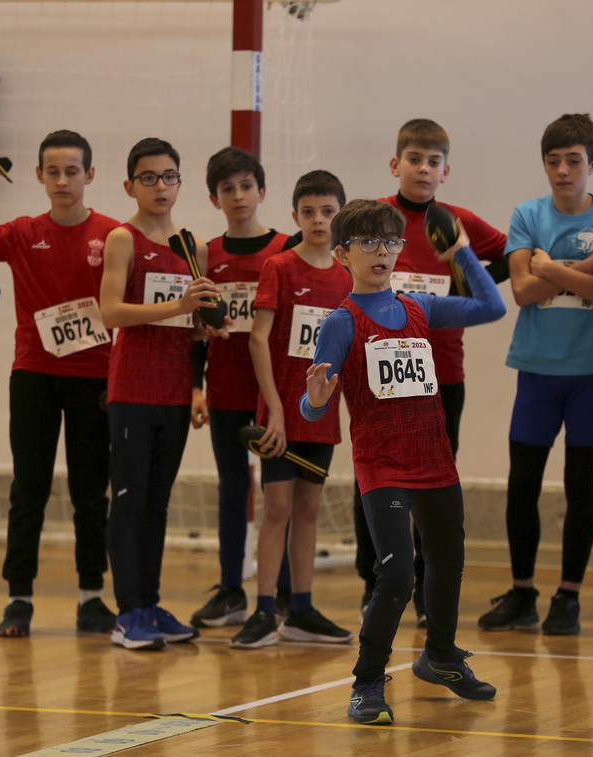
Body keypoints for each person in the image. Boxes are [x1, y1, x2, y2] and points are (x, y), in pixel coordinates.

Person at [302, 199, 505, 724]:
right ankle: (367, 683)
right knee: (396, 576)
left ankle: (439, 657)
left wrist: (461, 252)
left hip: (435, 461)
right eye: (369, 242)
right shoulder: (340, 324)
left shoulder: (421, 307)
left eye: (391, 241)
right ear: (343, 253)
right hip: (382, 467)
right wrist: (316, 401)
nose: (382, 252)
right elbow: (312, 401)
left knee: (449, 565)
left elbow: (492, 307)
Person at [0, 130, 120, 638]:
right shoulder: (21, 232)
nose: (62, 181)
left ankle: (91, 597)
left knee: (90, 492)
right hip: (35, 375)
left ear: (90, 175)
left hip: (95, 380)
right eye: (53, 171)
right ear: (38, 175)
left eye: (72, 171)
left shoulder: (114, 235)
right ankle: (18, 599)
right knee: (29, 489)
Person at [479, 113, 593, 636]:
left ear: (592, 163)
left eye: (573, 161)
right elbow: (520, 292)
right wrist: (586, 269)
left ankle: (568, 596)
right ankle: (523, 592)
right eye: (553, 162)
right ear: (544, 165)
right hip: (537, 369)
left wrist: (551, 267)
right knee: (522, 484)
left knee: (580, 486)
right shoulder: (527, 214)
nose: (563, 170)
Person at [351, 118, 508, 626]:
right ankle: (375, 582)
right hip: (379, 376)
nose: (423, 168)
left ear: (446, 170)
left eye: (433, 161)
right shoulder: (373, 219)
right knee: (374, 482)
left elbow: (506, 259)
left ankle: (421, 589)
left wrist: (462, 268)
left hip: (442, 375)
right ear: (395, 165)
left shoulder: (457, 222)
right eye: (414, 159)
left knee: (430, 488)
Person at [101, 137, 227, 651]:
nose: (160, 186)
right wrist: (178, 307)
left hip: (174, 390)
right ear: (130, 185)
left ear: (180, 183)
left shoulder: (193, 246)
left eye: (169, 176)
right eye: (148, 177)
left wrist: (204, 325)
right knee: (129, 499)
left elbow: (188, 325)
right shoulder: (122, 239)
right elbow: (111, 312)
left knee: (157, 502)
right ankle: (128, 611)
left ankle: (149, 603)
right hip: (132, 388)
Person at [230, 170, 353, 649]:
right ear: (295, 215)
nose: (319, 220)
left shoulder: (348, 276)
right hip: (280, 410)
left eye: (328, 212)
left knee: (309, 508)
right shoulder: (279, 267)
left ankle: (301, 609)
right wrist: (273, 411)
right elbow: (258, 338)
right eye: (309, 212)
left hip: (321, 414)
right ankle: (264, 609)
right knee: (276, 506)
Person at [188, 147, 293, 628]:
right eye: (227, 189)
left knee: (281, 494)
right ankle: (231, 588)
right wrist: (195, 387)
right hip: (227, 389)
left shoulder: (287, 248)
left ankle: (286, 590)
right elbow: (195, 330)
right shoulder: (208, 254)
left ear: (262, 191)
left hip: (275, 393)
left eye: (246, 186)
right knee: (234, 488)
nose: (238, 196)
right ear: (214, 198)